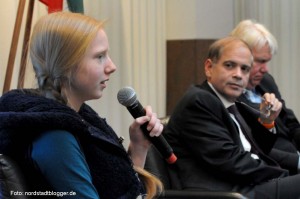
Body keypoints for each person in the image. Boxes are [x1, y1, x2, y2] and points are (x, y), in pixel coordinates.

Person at [0, 12, 163, 199]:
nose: (112, 66)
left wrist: (139, 146)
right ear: (66, 64)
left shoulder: (74, 118)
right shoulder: (55, 136)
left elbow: (126, 189)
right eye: (99, 56)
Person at [164, 36, 300, 199]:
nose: (238, 75)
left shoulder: (229, 102)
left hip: (245, 185)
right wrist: (284, 176)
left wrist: (267, 121)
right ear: (209, 67)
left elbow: (258, 150)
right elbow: (231, 162)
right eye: (229, 65)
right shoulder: (199, 101)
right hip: (226, 192)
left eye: (245, 69)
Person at [230, 19, 300, 174]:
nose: (265, 69)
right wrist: (297, 161)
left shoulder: (266, 81)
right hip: (275, 169)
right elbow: (252, 147)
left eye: (267, 62)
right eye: (260, 61)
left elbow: (291, 124)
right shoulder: (229, 95)